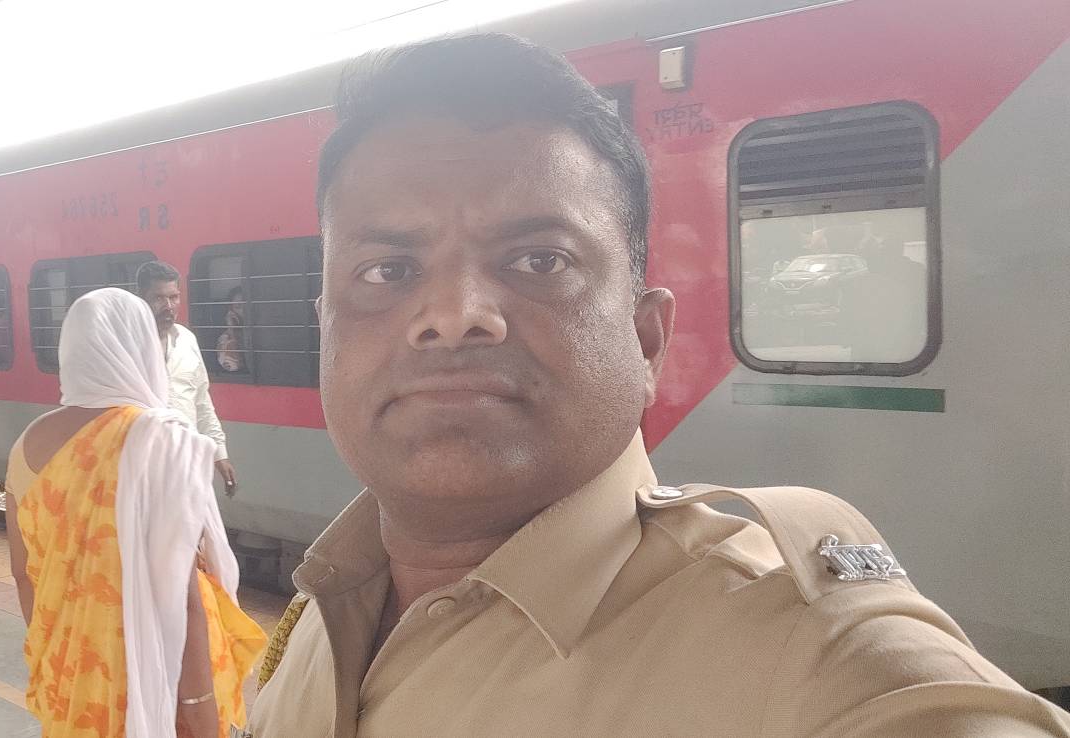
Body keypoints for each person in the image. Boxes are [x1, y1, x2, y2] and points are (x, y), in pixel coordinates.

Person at [249, 34, 1070, 737]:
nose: (456, 314)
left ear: (647, 341)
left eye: (540, 260)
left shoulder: (819, 662)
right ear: (327, 331)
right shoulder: (320, 613)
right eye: (386, 270)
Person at [4, 288, 265, 738]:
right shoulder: (160, 441)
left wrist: (61, 657)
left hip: (76, 675)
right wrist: (200, 711)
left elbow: (22, 573)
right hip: (162, 680)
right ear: (142, 348)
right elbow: (181, 598)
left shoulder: (26, 444)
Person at [135, 261, 237, 492]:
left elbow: (201, 400)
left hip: (187, 463)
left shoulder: (187, 340)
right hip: (142, 468)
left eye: (174, 297)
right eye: (158, 298)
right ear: (141, 299)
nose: (168, 306)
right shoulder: (126, 347)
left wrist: (219, 453)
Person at [214, 287, 247, 373]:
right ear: (231, 310)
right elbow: (233, 366)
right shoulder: (225, 338)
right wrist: (231, 329)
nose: (244, 310)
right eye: (238, 306)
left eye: (246, 305)